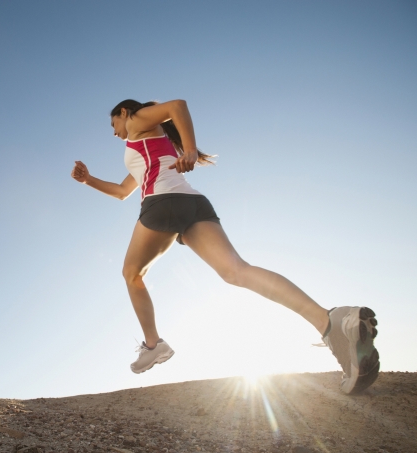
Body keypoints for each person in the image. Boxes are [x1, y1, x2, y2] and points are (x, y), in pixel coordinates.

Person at [70, 99, 380, 394]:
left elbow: (177, 106)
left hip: (161, 203)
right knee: (236, 272)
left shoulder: (137, 121)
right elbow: (124, 191)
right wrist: (89, 181)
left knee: (131, 274)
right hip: (193, 204)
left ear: (125, 112)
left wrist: (190, 150)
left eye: (114, 123)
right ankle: (332, 323)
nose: (114, 132)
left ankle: (154, 345)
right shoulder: (149, 146)